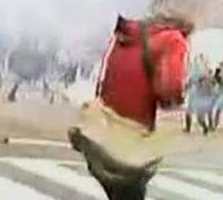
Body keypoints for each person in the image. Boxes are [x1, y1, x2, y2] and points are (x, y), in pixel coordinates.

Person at [70, 14, 192, 200]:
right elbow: (170, 88)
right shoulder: (171, 39)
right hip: (133, 135)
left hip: (104, 129)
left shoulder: (125, 33)